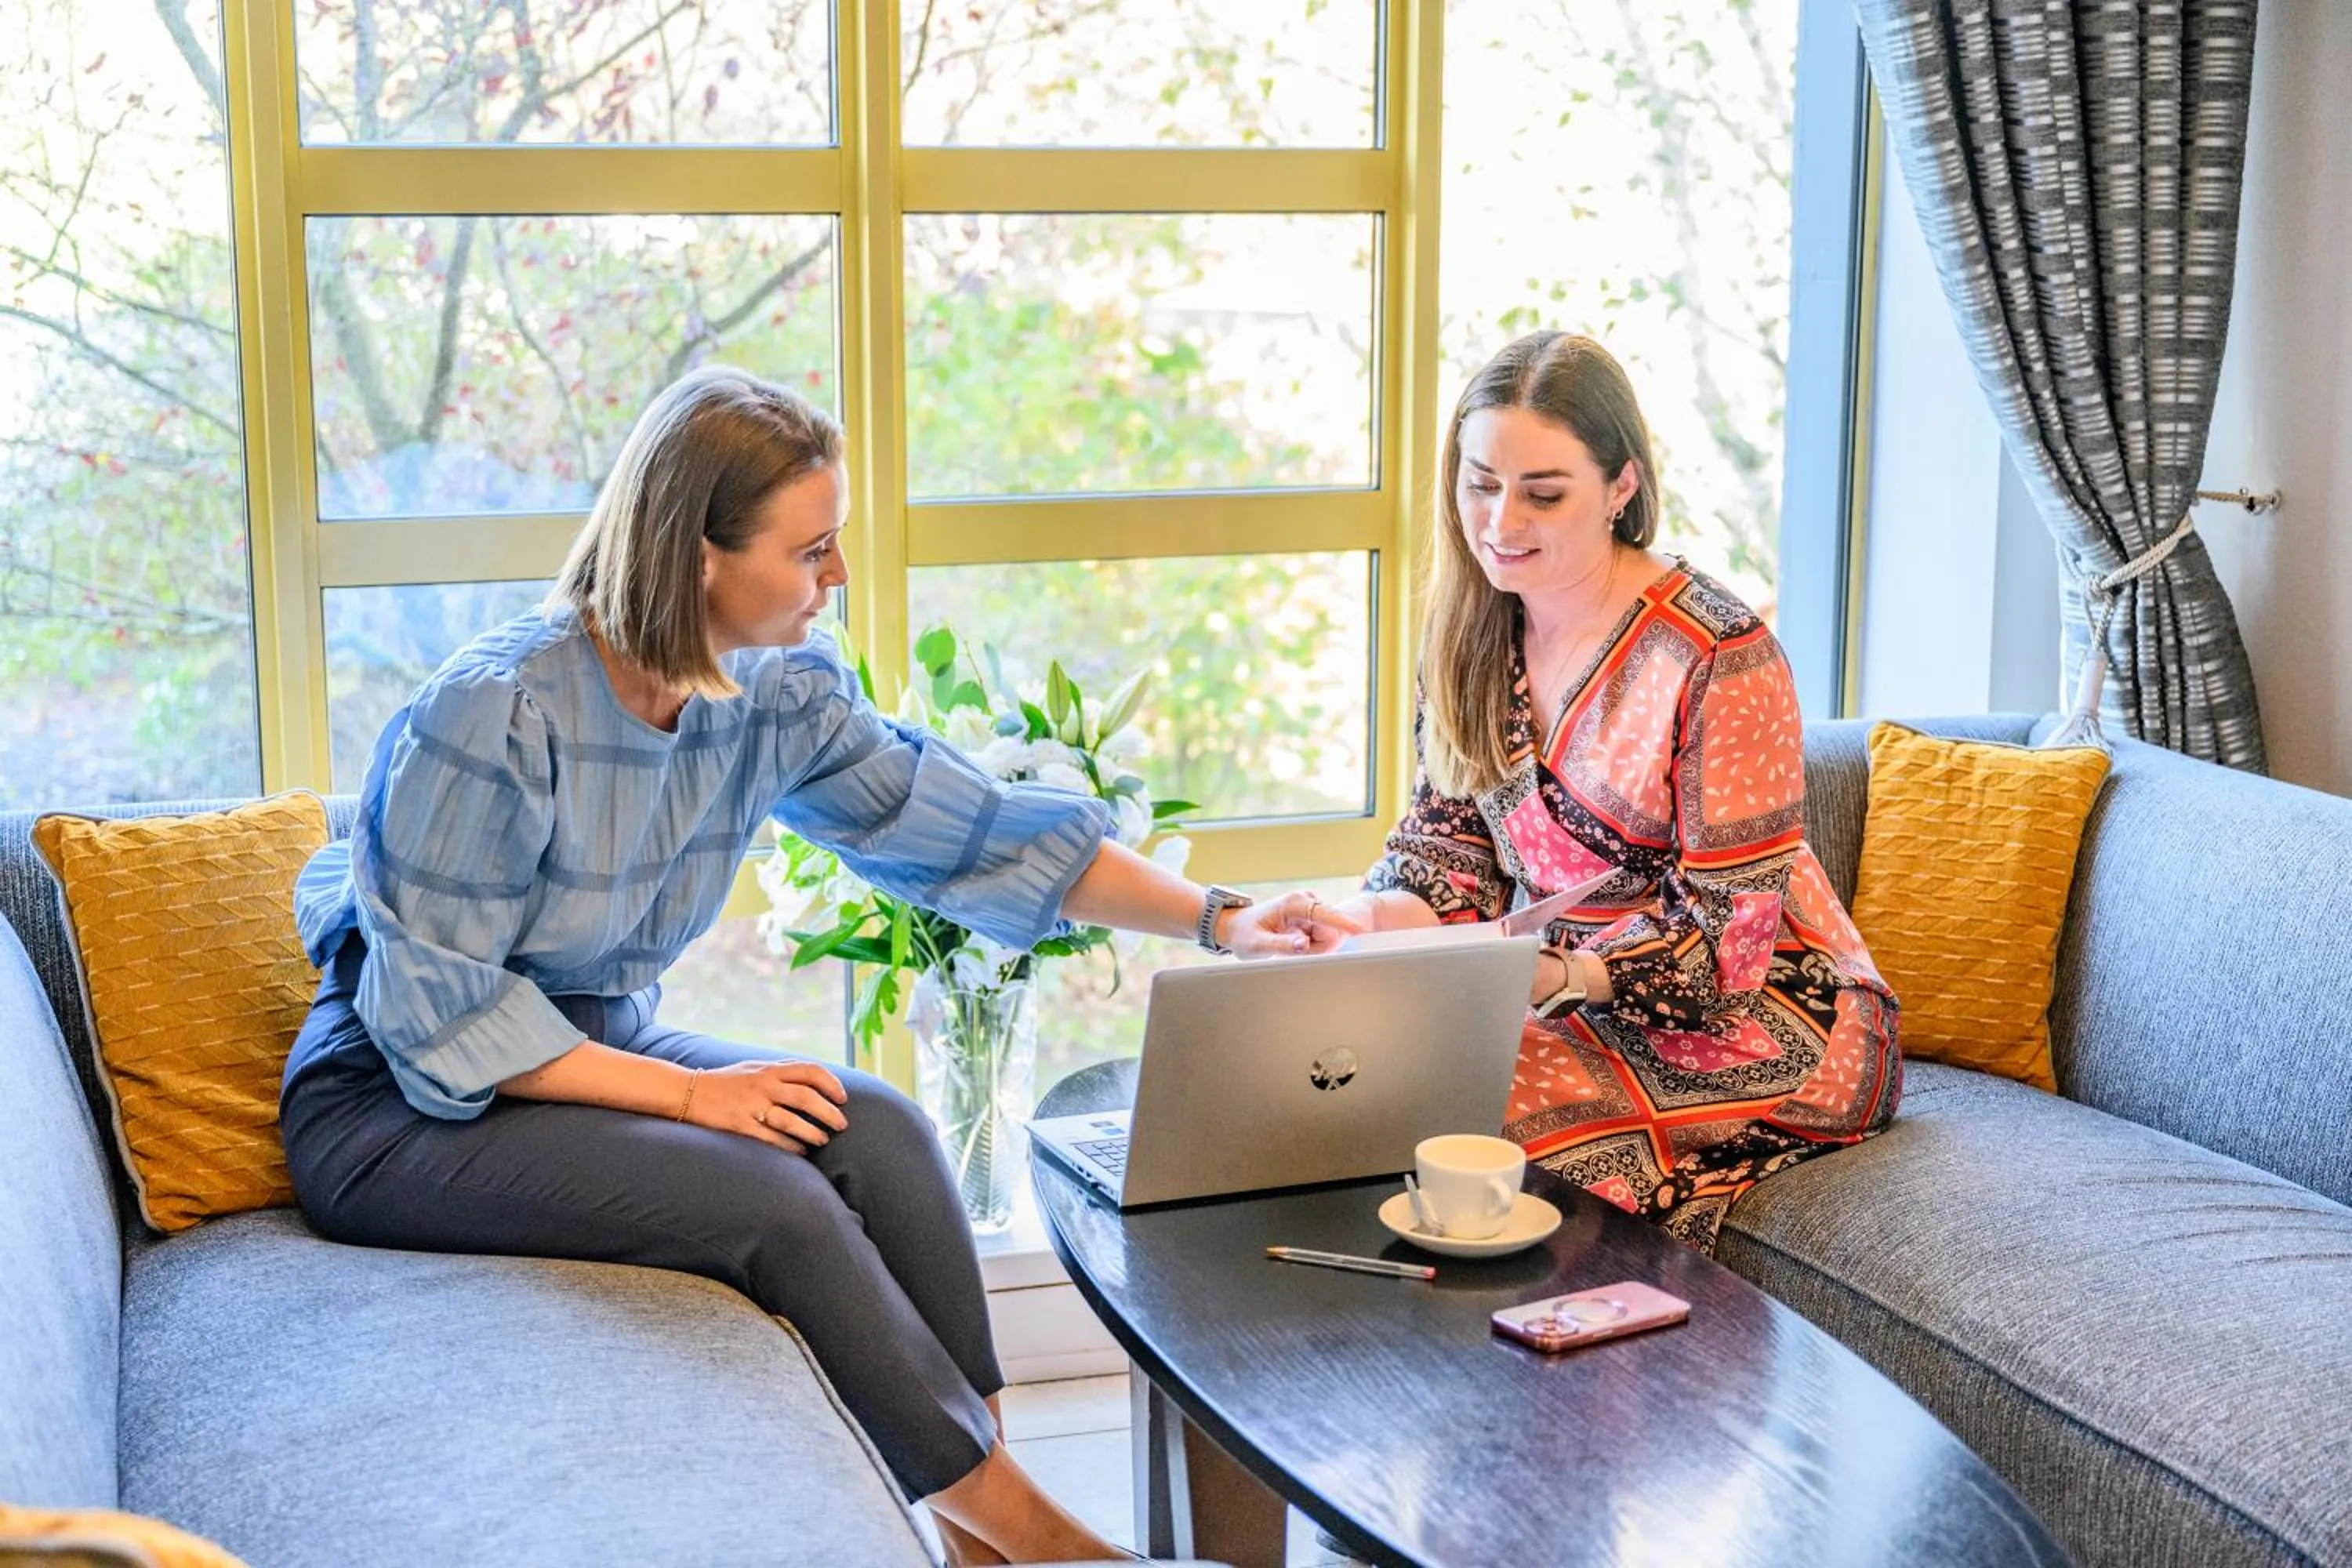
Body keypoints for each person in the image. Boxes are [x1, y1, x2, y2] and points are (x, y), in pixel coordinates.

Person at [278, 365, 1357, 1566]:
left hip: (588, 1037)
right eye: (812, 548)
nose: (835, 576)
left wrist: (1221, 920)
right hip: (397, 1102)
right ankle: (1057, 1551)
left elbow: (966, 828)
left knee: (882, 1132)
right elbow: (445, 1018)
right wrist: (697, 1097)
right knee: (777, 1200)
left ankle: (982, 1545)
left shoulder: (773, 690)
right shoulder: (491, 713)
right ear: (696, 555)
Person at [1330, 331, 1899, 1254]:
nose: (1501, 520)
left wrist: (1547, 978)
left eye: (1543, 492)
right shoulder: (1470, 636)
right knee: (1369, 1079)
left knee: (1464, 1117)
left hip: (1780, 1021)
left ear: (1622, 486)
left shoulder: (1719, 654)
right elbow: (1448, 864)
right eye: (1479, 483)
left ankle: (1551, 1378)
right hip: (1569, 997)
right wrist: (1343, 926)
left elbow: (1729, 942)